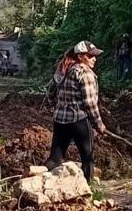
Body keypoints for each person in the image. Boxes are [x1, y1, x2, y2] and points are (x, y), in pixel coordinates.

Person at [44, 40, 107, 182]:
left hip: (60, 120)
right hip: (79, 121)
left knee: (55, 158)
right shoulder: (85, 73)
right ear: (80, 56)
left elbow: (51, 94)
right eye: (90, 56)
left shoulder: (63, 69)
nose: (94, 59)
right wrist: (99, 124)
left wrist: (59, 107)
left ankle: (46, 184)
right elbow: (90, 103)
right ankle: (89, 189)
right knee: (87, 157)